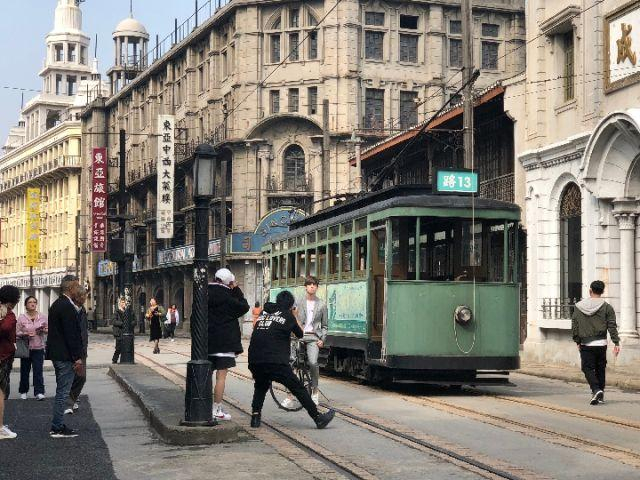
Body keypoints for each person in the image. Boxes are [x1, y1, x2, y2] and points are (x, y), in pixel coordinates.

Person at [248, 290, 335, 429]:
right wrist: (294, 315)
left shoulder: (264, 314)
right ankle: (318, 418)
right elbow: (300, 333)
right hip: (276, 362)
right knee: (298, 388)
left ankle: (255, 417)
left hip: (254, 360)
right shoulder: (288, 316)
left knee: (260, 385)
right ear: (290, 305)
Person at [208, 268, 249, 421]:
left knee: (205, 375)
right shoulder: (229, 297)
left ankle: (202, 407)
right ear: (229, 282)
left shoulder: (204, 293)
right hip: (225, 343)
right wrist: (236, 289)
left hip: (206, 342)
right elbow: (244, 307)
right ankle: (216, 409)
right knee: (221, 377)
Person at [571, 280, 621, 405]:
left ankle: (596, 389)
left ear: (590, 291)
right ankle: (600, 395)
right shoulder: (607, 307)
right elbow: (612, 326)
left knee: (587, 368)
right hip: (601, 344)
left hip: (586, 343)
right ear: (602, 291)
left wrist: (577, 340)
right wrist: (616, 342)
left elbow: (575, 325)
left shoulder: (578, 306)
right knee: (600, 369)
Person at [46, 274, 84, 438]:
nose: (78, 288)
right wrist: (77, 357)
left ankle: (58, 425)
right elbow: (71, 335)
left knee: (61, 390)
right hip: (65, 356)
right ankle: (57, 427)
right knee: (63, 392)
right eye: (76, 286)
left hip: (58, 354)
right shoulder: (66, 306)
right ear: (70, 288)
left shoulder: (57, 304)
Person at [295, 276, 328, 405]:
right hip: (298, 336)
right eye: (310, 284)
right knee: (292, 363)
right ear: (306, 287)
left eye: (314, 285)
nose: (312, 286)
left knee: (313, 363)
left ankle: (315, 391)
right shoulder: (298, 302)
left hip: (314, 337)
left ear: (317, 287)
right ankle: (290, 394)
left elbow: (325, 325)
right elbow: (292, 318)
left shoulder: (322, 304)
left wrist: (322, 339)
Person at [16, 296, 48, 400]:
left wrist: (44, 330)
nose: (32, 304)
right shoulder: (21, 317)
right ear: (26, 305)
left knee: (38, 371)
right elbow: (16, 332)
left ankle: (39, 392)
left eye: (34, 302)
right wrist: (25, 333)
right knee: (24, 371)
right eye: (30, 302)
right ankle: (23, 391)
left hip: (39, 348)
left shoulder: (42, 317)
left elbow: (48, 329)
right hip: (26, 348)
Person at [0, 285, 20, 440]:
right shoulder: (8, 314)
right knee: (1, 392)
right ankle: (0, 428)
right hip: (3, 356)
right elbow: (6, 328)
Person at [66, 289, 89, 415]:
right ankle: (68, 403)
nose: (85, 298)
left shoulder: (82, 310)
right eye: (83, 296)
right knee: (69, 377)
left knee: (81, 377)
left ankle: (71, 399)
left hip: (81, 349)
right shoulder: (69, 309)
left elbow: (83, 331)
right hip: (70, 349)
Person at [112, 298, 125, 364]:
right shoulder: (116, 311)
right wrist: (122, 323)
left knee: (125, 347)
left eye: (124, 302)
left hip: (125, 332)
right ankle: (114, 360)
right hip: (119, 332)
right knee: (118, 348)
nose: (124, 304)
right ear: (120, 303)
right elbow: (114, 321)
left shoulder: (127, 311)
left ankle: (123, 360)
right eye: (122, 302)